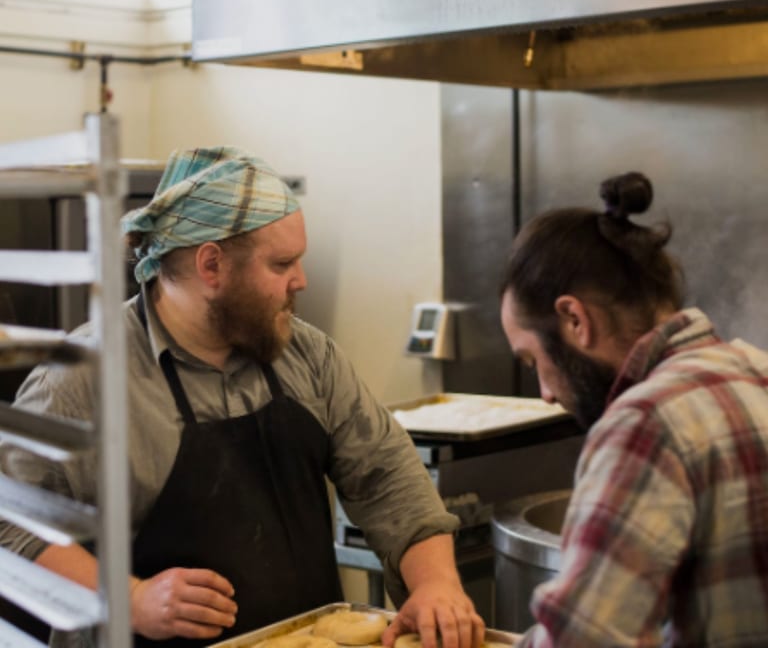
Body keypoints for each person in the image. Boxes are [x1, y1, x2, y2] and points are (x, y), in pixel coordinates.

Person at [0, 147, 484, 648]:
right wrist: (133, 599)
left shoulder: (308, 355)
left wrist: (437, 584)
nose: (301, 280)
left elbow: (387, 477)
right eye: (282, 264)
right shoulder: (81, 381)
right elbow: (9, 524)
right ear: (211, 265)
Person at [498, 171, 768, 647]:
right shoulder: (755, 371)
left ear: (575, 319)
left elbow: (584, 639)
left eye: (532, 360)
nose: (544, 393)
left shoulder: (646, 423)